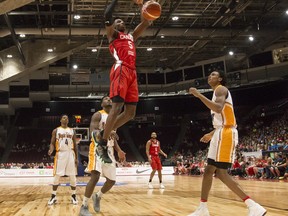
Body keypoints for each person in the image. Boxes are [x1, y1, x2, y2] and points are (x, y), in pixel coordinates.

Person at [188, 71, 267, 216]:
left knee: (221, 173)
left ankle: (253, 206)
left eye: (213, 74)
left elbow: (217, 108)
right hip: (220, 132)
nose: (209, 76)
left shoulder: (221, 89)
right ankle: (203, 208)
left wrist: (198, 95)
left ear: (220, 79)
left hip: (226, 134)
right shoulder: (216, 92)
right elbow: (222, 118)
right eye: (209, 75)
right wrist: (212, 134)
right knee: (208, 171)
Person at [96, 0, 152, 163]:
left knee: (130, 113)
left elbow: (146, 22)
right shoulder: (113, 35)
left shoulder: (131, 36)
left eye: (122, 21)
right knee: (117, 106)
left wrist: (143, 7)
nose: (120, 22)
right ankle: (103, 143)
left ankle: (106, 130)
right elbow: (107, 14)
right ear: (113, 26)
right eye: (117, 21)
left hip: (132, 72)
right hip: (120, 69)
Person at [79, 96, 126, 216]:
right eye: (105, 99)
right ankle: (84, 206)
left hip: (109, 149)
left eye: (110, 98)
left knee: (111, 180)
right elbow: (93, 132)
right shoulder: (98, 115)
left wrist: (119, 150)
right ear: (101, 104)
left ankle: (98, 196)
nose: (109, 100)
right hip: (97, 147)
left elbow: (113, 138)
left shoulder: (114, 118)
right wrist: (106, 132)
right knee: (95, 176)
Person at [47, 114, 78, 205]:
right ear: (60, 120)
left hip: (70, 153)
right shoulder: (56, 130)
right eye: (64, 117)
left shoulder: (72, 131)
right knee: (57, 176)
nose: (65, 119)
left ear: (68, 121)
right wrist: (51, 149)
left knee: (73, 176)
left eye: (67, 118)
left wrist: (76, 157)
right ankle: (53, 196)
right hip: (60, 154)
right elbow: (52, 143)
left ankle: (73, 196)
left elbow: (75, 145)